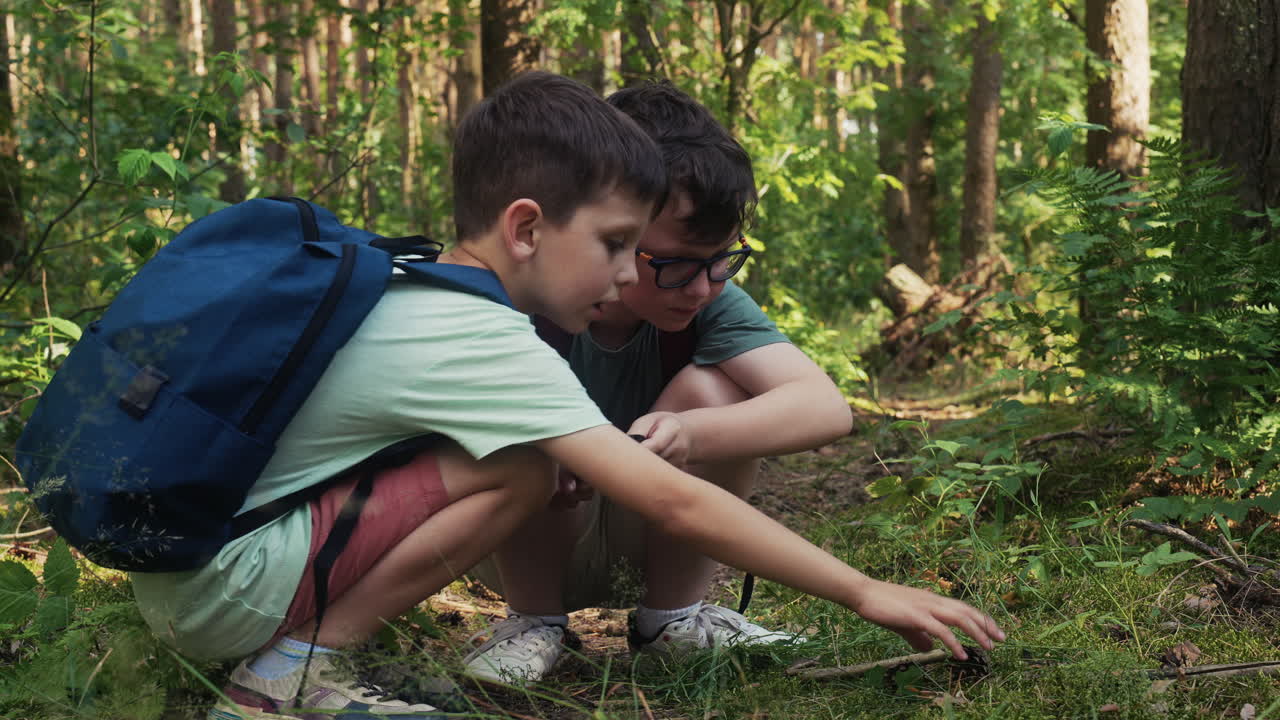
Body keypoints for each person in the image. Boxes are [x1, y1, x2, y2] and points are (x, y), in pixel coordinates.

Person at [132, 71, 1001, 720]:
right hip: (229, 588)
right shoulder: (481, 337)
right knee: (518, 465)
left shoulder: (418, 285)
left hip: (208, 569)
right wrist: (863, 591)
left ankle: (302, 655)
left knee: (525, 456)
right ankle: (291, 673)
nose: (629, 273)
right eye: (618, 244)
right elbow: (668, 499)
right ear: (526, 227)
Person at [462, 81, 991, 684]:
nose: (702, 287)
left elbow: (824, 408)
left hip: (658, 525)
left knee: (716, 389)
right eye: (676, 264)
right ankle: (532, 620)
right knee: (526, 428)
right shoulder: (522, 302)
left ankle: (673, 619)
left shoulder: (704, 300)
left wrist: (690, 430)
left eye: (722, 261)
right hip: (523, 529)